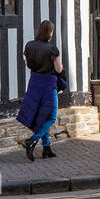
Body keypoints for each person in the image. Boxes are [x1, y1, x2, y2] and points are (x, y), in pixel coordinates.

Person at [17, 20, 67, 160]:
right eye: (52, 31)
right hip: (48, 85)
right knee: (51, 117)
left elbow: (28, 64)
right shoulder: (52, 49)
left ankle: (47, 148)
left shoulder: (29, 46)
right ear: (50, 32)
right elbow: (59, 69)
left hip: (34, 83)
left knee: (41, 115)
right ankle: (32, 140)